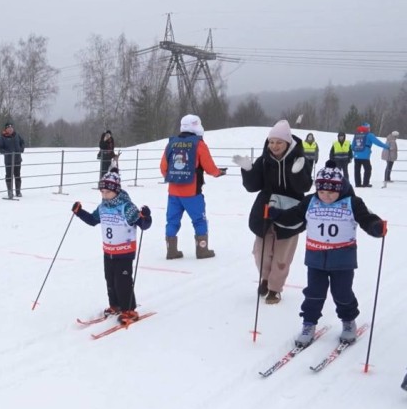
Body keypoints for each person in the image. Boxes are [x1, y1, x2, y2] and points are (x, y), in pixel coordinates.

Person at [267, 160, 386, 347]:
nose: (326, 196)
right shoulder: (310, 201)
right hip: (315, 258)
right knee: (313, 293)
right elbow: (294, 216)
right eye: (322, 192)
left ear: (340, 188)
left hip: (342, 259)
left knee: (342, 293)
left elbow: (366, 219)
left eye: (331, 192)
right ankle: (309, 324)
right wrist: (276, 214)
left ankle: (348, 322)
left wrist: (376, 227)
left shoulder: (352, 203)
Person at [232, 120, 313, 304]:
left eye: (279, 142)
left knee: (281, 256)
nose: (274, 146)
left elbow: (305, 187)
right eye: (271, 141)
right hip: (266, 211)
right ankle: (266, 278)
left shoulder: (299, 159)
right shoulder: (264, 160)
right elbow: (253, 187)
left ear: (287, 142)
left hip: (291, 211)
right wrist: (247, 170)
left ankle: (275, 288)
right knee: (260, 251)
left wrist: (298, 172)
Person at [71, 168, 152, 323]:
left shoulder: (126, 207)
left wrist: (146, 216)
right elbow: (93, 220)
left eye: (107, 192)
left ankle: (129, 309)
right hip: (108, 251)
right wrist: (79, 212)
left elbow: (143, 225)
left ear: (116, 190)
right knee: (110, 279)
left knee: (123, 281)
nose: (104, 195)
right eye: (102, 192)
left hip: (125, 251)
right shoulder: (103, 207)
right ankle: (115, 305)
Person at [159, 114, 226, 259]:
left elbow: (163, 168)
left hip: (173, 192)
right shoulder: (199, 144)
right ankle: (202, 250)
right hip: (192, 192)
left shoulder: (171, 144)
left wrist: (173, 177)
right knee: (199, 220)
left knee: (172, 220)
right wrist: (218, 173)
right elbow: (209, 167)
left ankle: (171, 251)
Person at [351, 122, 389, 187]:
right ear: (368, 128)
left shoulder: (357, 134)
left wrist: (356, 152)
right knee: (368, 169)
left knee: (357, 170)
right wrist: (386, 146)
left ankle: (358, 184)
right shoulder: (369, 135)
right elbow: (377, 142)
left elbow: (352, 146)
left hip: (356, 156)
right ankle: (365, 183)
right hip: (365, 156)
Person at [0, 122, 26, 198]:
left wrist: (21, 149)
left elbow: (22, 142)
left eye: (11, 128)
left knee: (18, 175)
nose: (10, 129)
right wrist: (6, 153)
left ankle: (18, 192)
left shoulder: (17, 135)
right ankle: (10, 192)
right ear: (6, 129)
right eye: (8, 128)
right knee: (9, 176)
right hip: (9, 160)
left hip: (17, 159)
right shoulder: (3, 137)